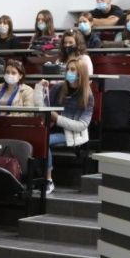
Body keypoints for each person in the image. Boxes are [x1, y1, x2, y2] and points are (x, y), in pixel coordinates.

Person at [39, 58, 94, 195]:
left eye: (73, 70)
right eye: (68, 69)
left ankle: (48, 180)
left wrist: (57, 119)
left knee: (44, 141)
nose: (69, 72)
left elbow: (82, 125)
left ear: (81, 73)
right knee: (36, 138)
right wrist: (42, 90)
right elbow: (45, 107)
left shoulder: (87, 95)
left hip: (72, 134)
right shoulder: (58, 87)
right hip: (51, 128)